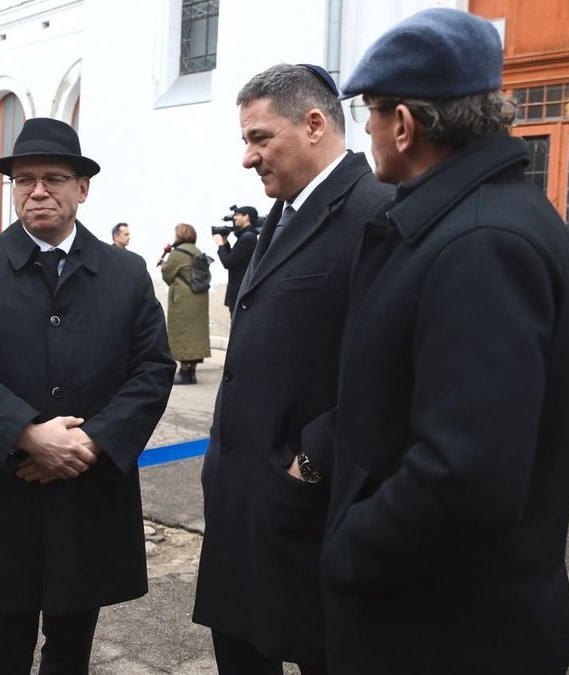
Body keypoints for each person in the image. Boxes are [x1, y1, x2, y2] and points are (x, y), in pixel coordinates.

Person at [322, 10, 569, 673]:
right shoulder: (472, 218)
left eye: (372, 115)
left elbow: (466, 475)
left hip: (444, 632)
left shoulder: (479, 243)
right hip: (439, 615)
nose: (370, 133)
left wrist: (350, 547)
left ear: (405, 124)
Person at [0, 117, 174, 675]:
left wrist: (91, 442)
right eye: (25, 179)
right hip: (3, 497)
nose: (38, 191)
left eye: (55, 178)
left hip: (87, 496)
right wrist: (26, 434)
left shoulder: (125, 273)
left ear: (82, 188)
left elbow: (153, 368)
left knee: (71, 653)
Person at [192, 63, 392, 675]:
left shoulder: (377, 211)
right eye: (246, 141)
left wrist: (312, 460)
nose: (248, 159)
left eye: (259, 138)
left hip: (311, 507)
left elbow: (389, 364)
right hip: (242, 501)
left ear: (313, 124)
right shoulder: (282, 213)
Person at [160, 223, 212, 385]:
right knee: (196, 334)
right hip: (200, 298)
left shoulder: (177, 253)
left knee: (182, 332)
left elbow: (168, 276)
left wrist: (163, 265)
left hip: (184, 300)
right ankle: (192, 373)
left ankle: (183, 372)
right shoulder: (197, 251)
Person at [212, 206, 259, 311]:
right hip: (240, 291)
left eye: (237, 215)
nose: (234, 218)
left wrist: (220, 244)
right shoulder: (247, 236)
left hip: (240, 292)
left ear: (246, 217)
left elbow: (228, 262)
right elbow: (233, 258)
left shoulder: (247, 238)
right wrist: (225, 242)